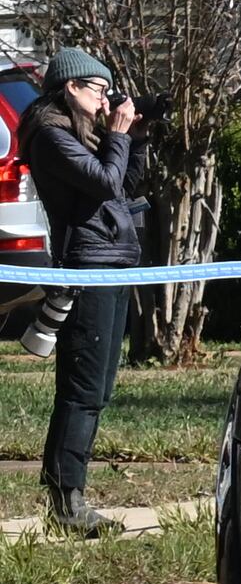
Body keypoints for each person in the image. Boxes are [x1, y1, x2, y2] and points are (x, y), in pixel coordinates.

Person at [25, 51, 138, 538]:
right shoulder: (50, 134)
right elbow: (103, 180)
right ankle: (66, 501)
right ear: (70, 88)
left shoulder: (85, 134)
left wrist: (137, 137)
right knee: (82, 390)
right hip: (88, 266)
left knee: (101, 390)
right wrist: (116, 136)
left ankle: (71, 496)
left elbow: (125, 185)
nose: (104, 99)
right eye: (97, 88)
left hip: (115, 264)